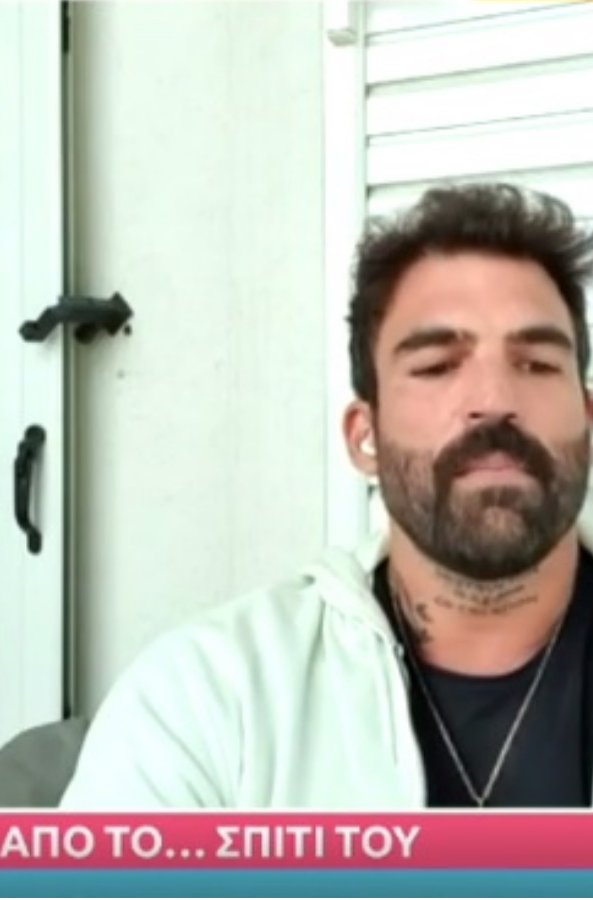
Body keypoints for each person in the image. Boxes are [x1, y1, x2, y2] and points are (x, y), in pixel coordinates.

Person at [61, 182, 593, 809]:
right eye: (436, 366)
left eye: (536, 364)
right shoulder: (204, 700)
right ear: (364, 436)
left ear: (587, 418)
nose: (495, 400)